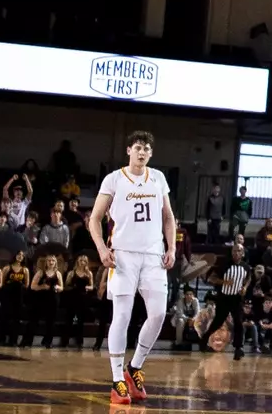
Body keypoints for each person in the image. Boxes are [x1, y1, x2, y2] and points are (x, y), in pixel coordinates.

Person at [90, 131, 177, 405]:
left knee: (158, 314)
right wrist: (102, 249)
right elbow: (94, 218)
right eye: (138, 147)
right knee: (123, 316)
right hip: (123, 256)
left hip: (153, 255)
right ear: (129, 150)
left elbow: (168, 217)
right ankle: (117, 380)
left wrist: (172, 248)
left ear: (151, 154)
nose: (142, 152)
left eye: (147, 149)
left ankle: (134, 367)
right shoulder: (114, 179)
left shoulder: (158, 178)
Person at [201, 243, 251, 361]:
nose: (236, 253)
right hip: (224, 298)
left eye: (238, 251)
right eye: (234, 250)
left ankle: (238, 348)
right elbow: (211, 278)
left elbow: (249, 278)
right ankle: (204, 339)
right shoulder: (224, 265)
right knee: (218, 322)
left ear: (243, 253)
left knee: (239, 322)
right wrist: (224, 282)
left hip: (237, 299)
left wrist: (245, 287)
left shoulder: (246, 267)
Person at [29, 253, 66, 347]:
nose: (51, 262)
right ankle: (27, 341)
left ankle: (47, 341)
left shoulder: (58, 273)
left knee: (51, 322)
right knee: (34, 320)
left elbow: (62, 288)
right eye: (49, 260)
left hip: (53, 299)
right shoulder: (40, 272)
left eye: (53, 260)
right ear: (46, 262)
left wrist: (58, 287)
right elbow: (32, 286)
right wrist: (42, 287)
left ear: (55, 262)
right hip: (41, 299)